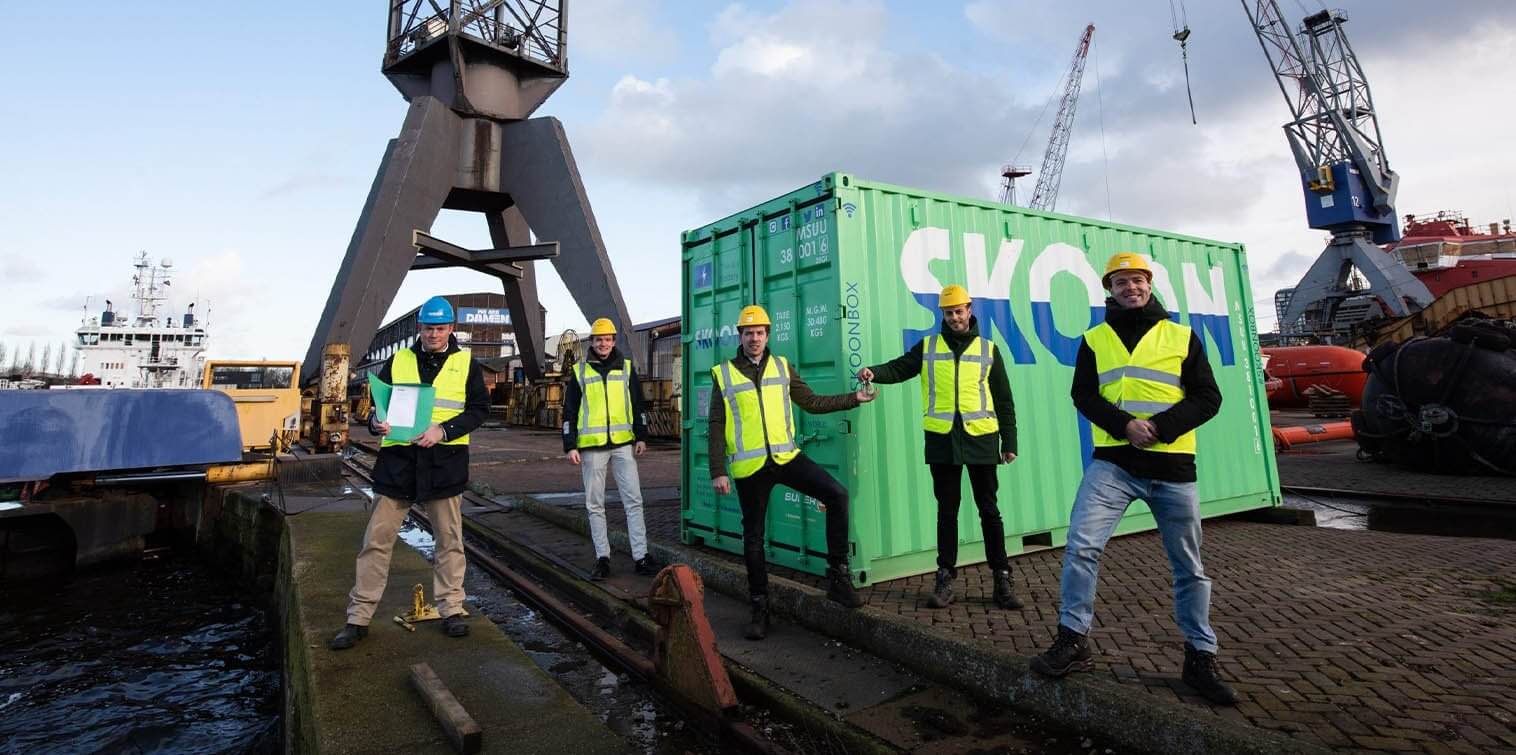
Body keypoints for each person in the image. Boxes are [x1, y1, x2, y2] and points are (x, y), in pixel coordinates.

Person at [1028, 253, 1237, 705]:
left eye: (1138, 280)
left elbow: (1208, 396)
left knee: (1189, 568)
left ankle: (1200, 656)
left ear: (1149, 284)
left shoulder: (1181, 336)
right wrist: (1125, 425)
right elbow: (1081, 394)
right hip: (1113, 465)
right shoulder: (1095, 339)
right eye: (1121, 282)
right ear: (1110, 289)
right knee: (1082, 545)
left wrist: (1160, 427)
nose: (1131, 288)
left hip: (1173, 467)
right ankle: (1073, 640)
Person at [328, 295, 489, 649]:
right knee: (376, 541)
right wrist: (375, 424)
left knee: (449, 541)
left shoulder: (466, 364)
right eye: (429, 328)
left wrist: (443, 431)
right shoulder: (398, 360)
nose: (433, 334)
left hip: (442, 462)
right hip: (399, 462)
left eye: (440, 328)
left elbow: (479, 410)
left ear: (451, 328)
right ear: (421, 328)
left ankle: (452, 609)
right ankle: (358, 618)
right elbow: (376, 409)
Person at [709, 305, 878, 640]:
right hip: (750, 467)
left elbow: (811, 402)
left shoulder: (783, 367)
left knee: (837, 494)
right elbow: (716, 423)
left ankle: (837, 577)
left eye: (759, 332)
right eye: (748, 333)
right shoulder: (723, 373)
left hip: (786, 457)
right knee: (754, 537)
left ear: (768, 335)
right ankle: (760, 607)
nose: (754, 338)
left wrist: (853, 398)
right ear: (739, 336)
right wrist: (718, 469)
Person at [857, 284, 1020, 610]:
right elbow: (901, 367)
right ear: (942, 314)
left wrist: (1009, 441)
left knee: (989, 510)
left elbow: (1003, 399)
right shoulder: (928, 347)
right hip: (943, 440)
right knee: (947, 511)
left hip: (982, 439)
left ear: (969, 310)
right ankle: (945, 578)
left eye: (960, 311)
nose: (955, 317)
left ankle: (1002, 578)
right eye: (949, 312)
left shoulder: (989, 349)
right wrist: (875, 372)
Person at [563, 317, 656, 581]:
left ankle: (641, 556)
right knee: (595, 504)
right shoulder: (580, 371)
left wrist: (642, 435)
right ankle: (602, 558)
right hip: (592, 448)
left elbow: (638, 404)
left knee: (634, 500)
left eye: (607, 339)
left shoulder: (626, 369)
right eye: (598, 339)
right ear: (591, 342)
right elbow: (569, 410)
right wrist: (570, 444)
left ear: (614, 341)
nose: (603, 344)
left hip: (624, 444)